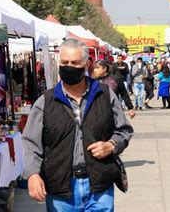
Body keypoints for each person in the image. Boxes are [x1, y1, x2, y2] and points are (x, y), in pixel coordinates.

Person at [22, 38, 134, 211]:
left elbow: (124, 130)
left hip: (99, 185)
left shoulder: (105, 95)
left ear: (86, 64)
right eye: (64, 62)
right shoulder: (45, 101)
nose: (69, 67)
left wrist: (111, 145)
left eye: (74, 63)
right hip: (61, 188)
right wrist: (33, 174)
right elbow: (31, 142)